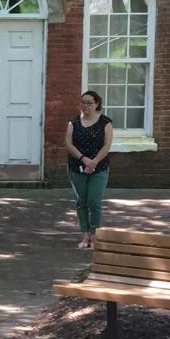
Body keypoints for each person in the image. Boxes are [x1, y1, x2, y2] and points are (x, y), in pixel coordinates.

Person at [64, 90, 114, 249]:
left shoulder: (105, 122)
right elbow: (69, 144)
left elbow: (107, 145)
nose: (85, 106)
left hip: (99, 168)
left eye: (89, 103)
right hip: (76, 167)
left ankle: (94, 234)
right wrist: (83, 159)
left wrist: (94, 162)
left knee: (94, 201)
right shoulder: (73, 123)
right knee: (81, 202)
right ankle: (84, 234)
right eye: (83, 102)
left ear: (97, 104)